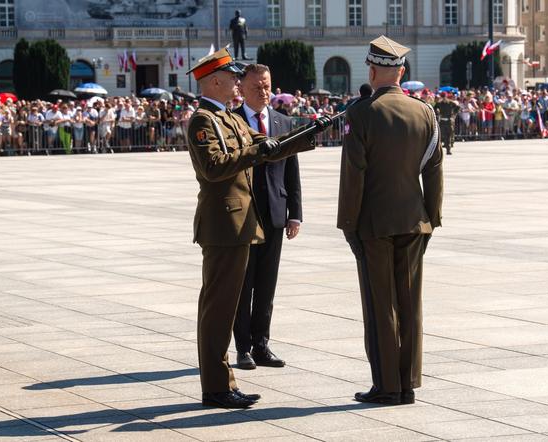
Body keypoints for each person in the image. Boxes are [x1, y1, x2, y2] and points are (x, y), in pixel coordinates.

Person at [185, 47, 332, 409]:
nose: (238, 82)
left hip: (240, 225)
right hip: (223, 225)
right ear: (215, 81)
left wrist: (310, 132)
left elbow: (270, 146)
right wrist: (258, 150)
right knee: (218, 309)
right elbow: (215, 167)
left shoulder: (229, 119)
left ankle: (222, 385)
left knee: (227, 305)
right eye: (233, 78)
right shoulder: (204, 121)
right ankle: (217, 387)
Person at [337, 35, 443, 406]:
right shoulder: (425, 112)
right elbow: (433, 170)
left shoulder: (361, 113)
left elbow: (354, 174)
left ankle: (386, 385)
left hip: (374, 224)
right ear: (401, 71)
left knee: (381, 305)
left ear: (371, 69)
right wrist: (432, 217)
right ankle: (408, 381)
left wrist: (348, 224)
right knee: (410, 304)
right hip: (414, 220)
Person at [232, 63, 302, 371]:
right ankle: (243, 347)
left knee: (267, 283)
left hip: (275, 212)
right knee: (243, 283)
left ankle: (262, 344)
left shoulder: (282, 122)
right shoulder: (231, 122)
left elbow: (291, 169)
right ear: (242, 89)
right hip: (244, 215)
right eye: (258, 87)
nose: (264, 92)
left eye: (267, 86)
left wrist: (295, 214)